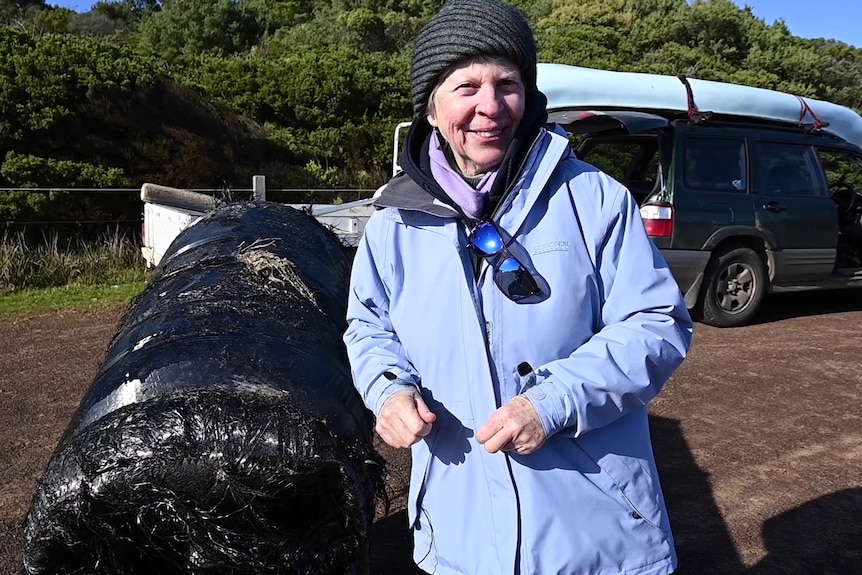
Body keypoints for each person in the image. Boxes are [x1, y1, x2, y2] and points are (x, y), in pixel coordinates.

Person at [343, 1, 694, 573]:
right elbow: (369, 327)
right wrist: (387, 390)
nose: (490, 106)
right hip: (458, 536)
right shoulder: (394, 223)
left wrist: (554, 402)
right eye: (466, 86)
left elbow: (657, 323)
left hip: (597, 537)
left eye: (507, 83)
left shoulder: (594, 199)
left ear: (529, 97)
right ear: (431, 108)